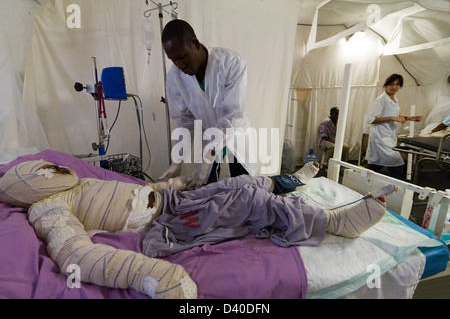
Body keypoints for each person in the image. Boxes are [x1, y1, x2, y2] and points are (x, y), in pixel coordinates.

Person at [0, 160, 396, 299]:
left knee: (241, 184)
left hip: (172, 202)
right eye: (46, 172)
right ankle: (334, 223)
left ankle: (289, 180)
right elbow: (77, 256)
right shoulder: (51, 207)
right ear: (32, 187)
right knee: (248, 202)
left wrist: (165, 186)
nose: (54, 171)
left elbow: (129, 195)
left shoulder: (76, 182)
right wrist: (152, 277)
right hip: (169, 223)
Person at [158, 19, 254, 188]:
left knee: (244, 189)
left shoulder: (232, 63)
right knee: (204, 189)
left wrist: (208, 156)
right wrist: (177, 161)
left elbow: (232, 117)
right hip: (210, 137)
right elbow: (184, 122)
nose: (179, 65)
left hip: (236, 134)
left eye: (181, 57)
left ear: (195, 43)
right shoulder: (175, 78)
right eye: (173, 60)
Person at [366, 74, 423, 178]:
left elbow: (394, 115)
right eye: (391, 84)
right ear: (386, 85)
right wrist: (393, 118)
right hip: (380, 138)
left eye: (397, 84)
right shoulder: (381, 99)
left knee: (375, 167)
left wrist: (408, 118)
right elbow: (371, 119)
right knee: (397, 166)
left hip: (388, 137)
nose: (394, 87)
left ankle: (370, 186)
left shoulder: (394, 99)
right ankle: (390, 188)